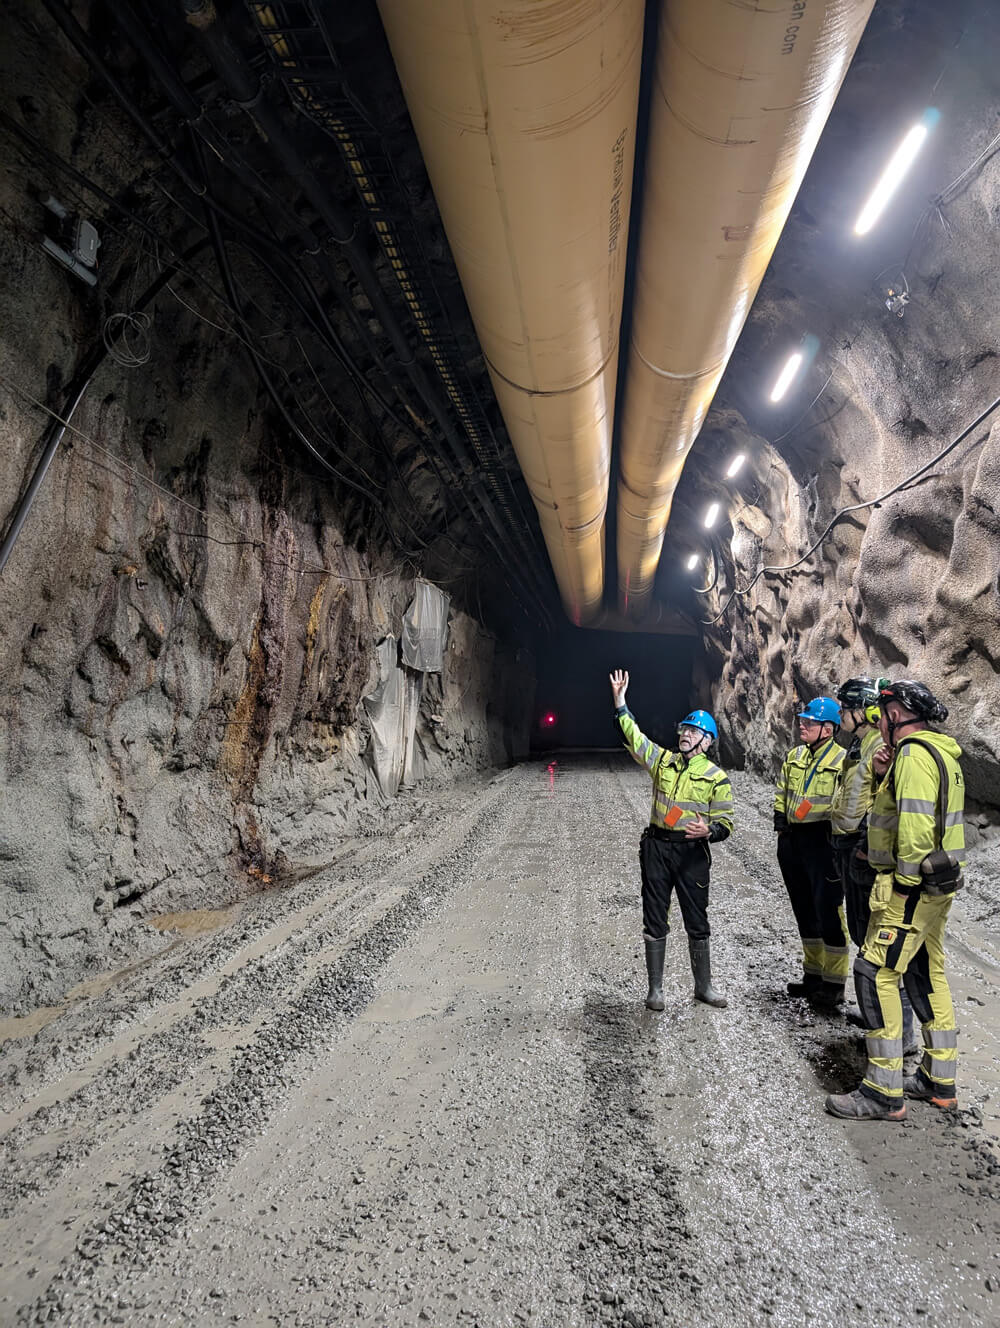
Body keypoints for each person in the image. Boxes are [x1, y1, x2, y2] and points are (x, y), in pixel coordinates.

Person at [826, 680, 965, 1121]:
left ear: (895, 716)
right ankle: (939, 1078)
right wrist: (882, 775)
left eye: (882, 714)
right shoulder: (941, 753)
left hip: (912, 888)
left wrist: (902, 885)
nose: (877, 721)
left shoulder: (912, 756)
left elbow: (917, 829)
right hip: (939, 885)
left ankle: (883, 1091)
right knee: (925, 971)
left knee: (874, 972)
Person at [609, 669, 733, 1011]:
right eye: (684, 729)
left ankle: (704, 987)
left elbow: (726, 823)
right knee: (654, 916)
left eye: (693, 731)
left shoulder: (716, 778)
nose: (685, 735)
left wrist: (709, 832)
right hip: (657, 848)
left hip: (692, 853)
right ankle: (655, 990)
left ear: (706, 741)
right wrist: (620, 703)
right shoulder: (663, 761)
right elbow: (635, 738)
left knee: (697, 919)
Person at [830, 676, 917, 1054]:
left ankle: (900, 1034)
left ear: (862, 712)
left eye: (845, 709)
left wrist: (865, 847)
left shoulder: (880, 748)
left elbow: (885, 803)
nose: (840, 715)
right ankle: (875, 1016)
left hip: (863, 853)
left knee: (879, 944)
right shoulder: (859, 746)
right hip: (849, 847)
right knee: (862, 935)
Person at [773, 697, 848, 1008]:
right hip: (794, 841)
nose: (802, 725)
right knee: (804, 909)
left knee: (828, 910)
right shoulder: (795, 756)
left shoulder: (844, 761)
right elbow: (782, 791)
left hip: (823, 843)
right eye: (802, 721)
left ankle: (834, 982)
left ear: (828, 729)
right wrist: (781, 823)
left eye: (809, 722)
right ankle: (813, 975)